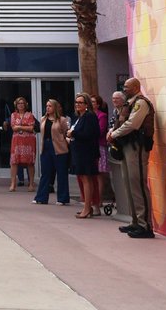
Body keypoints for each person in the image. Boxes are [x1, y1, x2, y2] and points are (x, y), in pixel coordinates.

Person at [107, 77, 155, 238]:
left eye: (127, 86)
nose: (124, 89)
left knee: (138, 184)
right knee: (129, 185)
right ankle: (135, 221)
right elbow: (121, 122)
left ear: (135, 87)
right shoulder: (129, 104)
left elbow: (132, 124)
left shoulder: (141, 103)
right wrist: (113, 132)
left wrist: (114, 134)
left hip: (137, 147)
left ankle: (145, 225)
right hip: (126, 146)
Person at [67, 92, 100, 218]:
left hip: (86, 153)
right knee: (83, 179)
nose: (77, 105)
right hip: (78, 151)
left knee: (87, 179)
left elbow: (90, 134)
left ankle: (87, 208)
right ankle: (87, 207)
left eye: (80, 102)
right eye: (76, 102)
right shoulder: (78, 117)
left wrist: (73, 134)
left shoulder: (89, 116)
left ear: (87, 104)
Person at [33, 98, 70, 206]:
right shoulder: (43, 119)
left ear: (55, 107)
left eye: (50, 106)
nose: (48, 108)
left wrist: (66, 141)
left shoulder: (62, 120)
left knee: (61, 173)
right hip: (46, 146)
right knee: (45, 172)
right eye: (47, 106)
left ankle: (62, 198)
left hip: (59, 147)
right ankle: (41, 197)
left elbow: (66, 133)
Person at [9, 97, 37, 192]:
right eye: (19, 103)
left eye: (22, 103)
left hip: (29, 141)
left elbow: (31, 128)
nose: (20, 105)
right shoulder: (13, 115)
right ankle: (13, 184)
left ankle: (31, 184)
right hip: (17, 141)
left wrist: (19, 127)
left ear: (25, 105)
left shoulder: (30, 115)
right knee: (14, 161)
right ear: (16, 105)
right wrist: (25, 127)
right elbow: (13, 128)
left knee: (30, 162)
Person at [92, 95, 110, 214]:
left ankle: (99, 200)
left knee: (99, 175)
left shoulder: (102, 115)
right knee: (92, 175)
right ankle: (93, 199)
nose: (91, 103)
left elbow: (101, 130)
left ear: (98, 104)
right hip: (90, 147)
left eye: (93, 102)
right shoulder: (87, 115)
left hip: (99, 146)